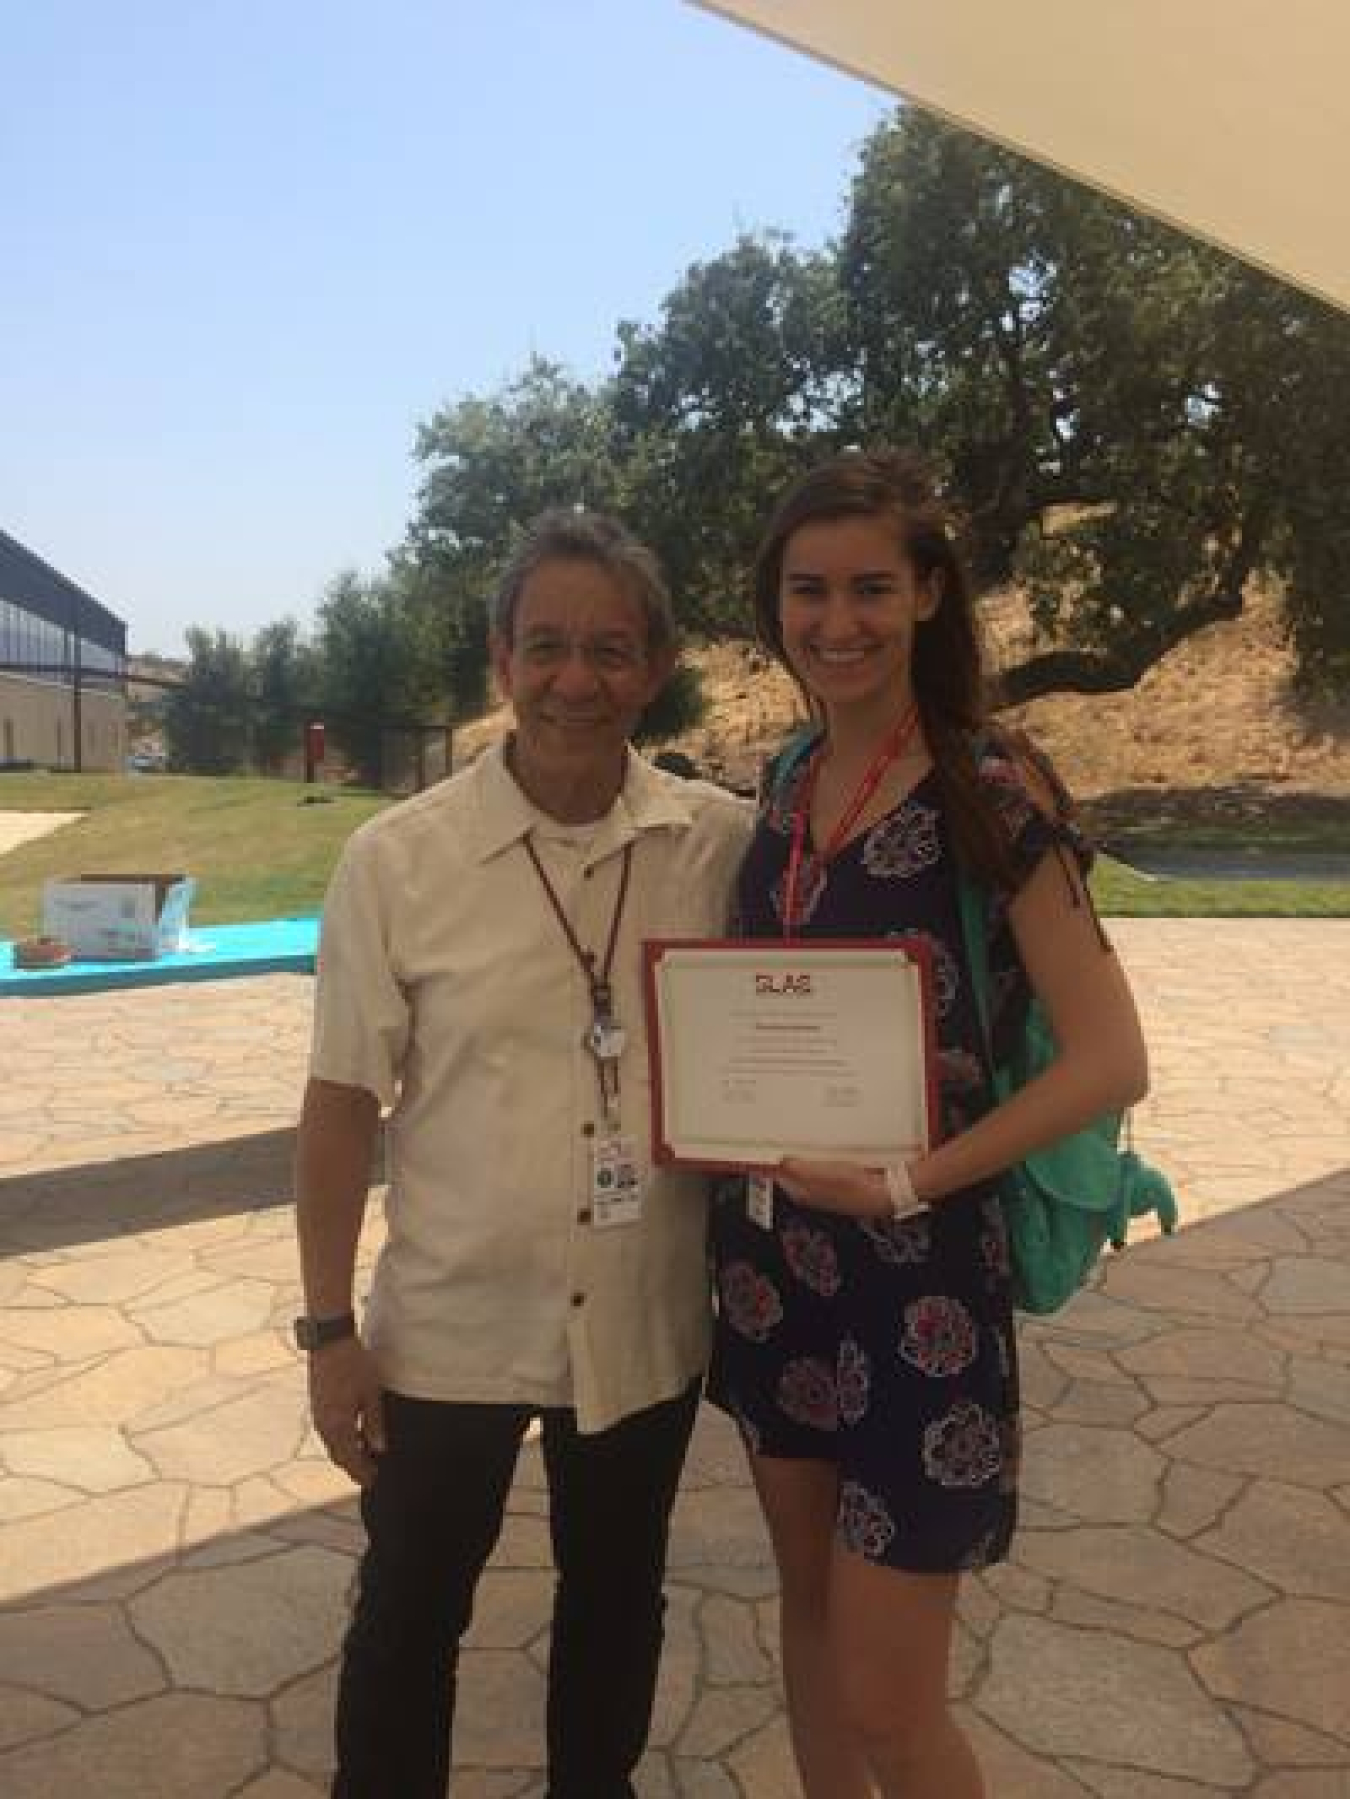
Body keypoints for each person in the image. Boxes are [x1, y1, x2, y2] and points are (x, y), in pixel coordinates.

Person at [707, 449, 1149, 1799]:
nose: (835, 622)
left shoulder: (990, 791)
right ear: (773, 607)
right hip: (771, 1267)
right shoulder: (782, 784)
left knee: (891, 1705)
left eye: (869, 589)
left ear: (928, 596)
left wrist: (911, 1180)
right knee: (809, 1622)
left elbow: (1110, 1059)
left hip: (920, 1288)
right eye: (806, 592)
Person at [294, 509, 751, 1799]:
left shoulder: (716, 846)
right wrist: (331, 1332)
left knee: (618, 1604)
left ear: (656, 666)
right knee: (407, 1618)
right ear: (500, 658)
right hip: (449, 1327)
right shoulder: (396, 861)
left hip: (647, 1319)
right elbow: (340, 1106)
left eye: (610, 650)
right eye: (545, 645)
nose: (574, 680)